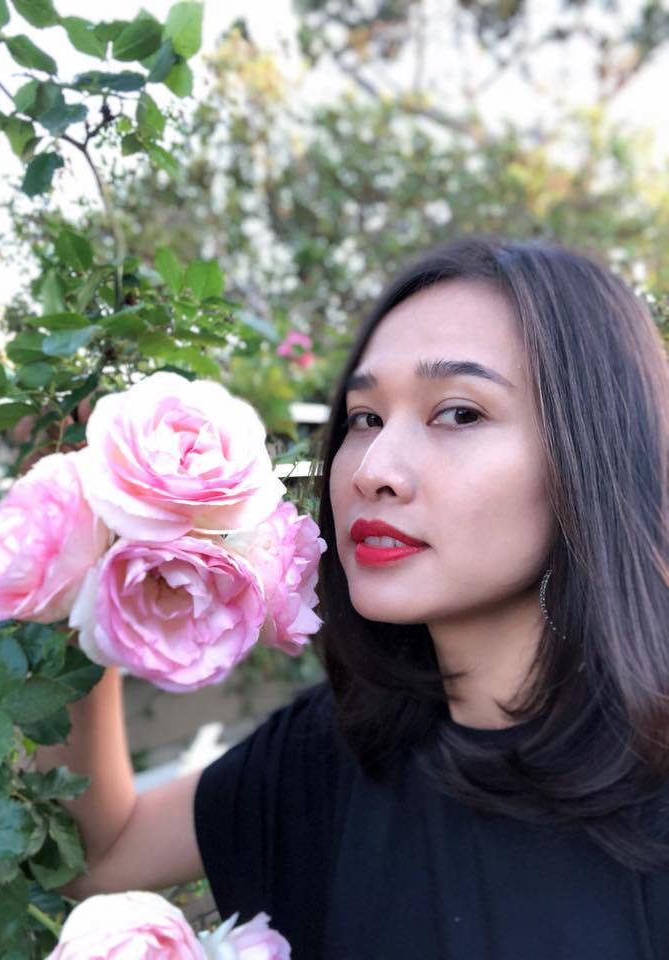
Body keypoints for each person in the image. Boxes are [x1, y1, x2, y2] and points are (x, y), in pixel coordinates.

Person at [37, 236, 669, 959]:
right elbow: (103, 855)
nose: (373, 469)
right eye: (365, 418)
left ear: (594, 453)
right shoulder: (335, 748)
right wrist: (87, 579)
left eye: (459, 413)